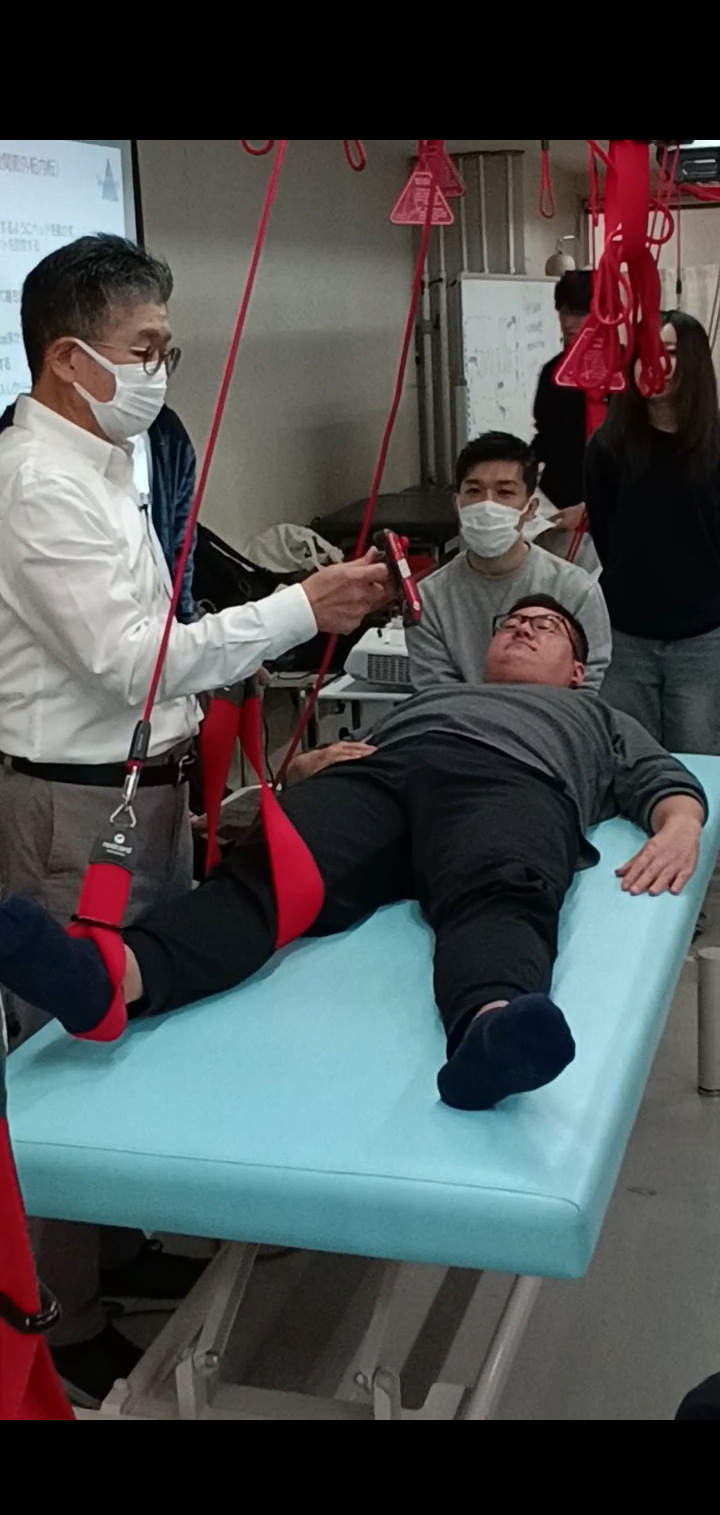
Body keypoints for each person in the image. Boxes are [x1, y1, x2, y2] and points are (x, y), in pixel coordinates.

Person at [0, 234, 389, 1404]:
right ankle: (62, 1317)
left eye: (167, 348)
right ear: (70, 358)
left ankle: (120, 1243)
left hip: (143, 794)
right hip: (72, 804)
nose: (161, 372)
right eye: (146, 349)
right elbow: (131, 663)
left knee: (143, 1011)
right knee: (69, 1041)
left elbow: (159, 643)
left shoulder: (103, 462)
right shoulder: (35, 483)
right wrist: (299, 609)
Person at [1, 594, 705, 1125]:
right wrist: (306, 767)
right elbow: (301, 772)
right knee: (271, 874)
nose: (521, 629)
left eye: (543, 627)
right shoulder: (433, 697)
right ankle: (109, 978)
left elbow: (663, 779)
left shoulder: (596, 716)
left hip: (511, 780)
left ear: (578, 672)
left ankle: (489, 1032)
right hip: (379, 776)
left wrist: (682, 827)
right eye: (512, 623)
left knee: (498, 887)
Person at [586, 310, 720, 752]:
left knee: (697, 758)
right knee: (628, 757)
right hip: (625, 635)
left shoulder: (714, 446)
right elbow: (605, 533)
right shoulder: (608, 446)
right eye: (645, 352)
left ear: (694, 362)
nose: (656, 364)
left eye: (672, 353)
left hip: (703, 639)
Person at [406, 431, 611, 693]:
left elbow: (588, 684)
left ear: (530, 508)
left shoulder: (576, 590)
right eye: (474, 491)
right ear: (457, 504)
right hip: (461, 718)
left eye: (505, 492)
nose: (487, 505)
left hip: (552, 716)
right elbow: (436, 693)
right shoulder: (427, 599)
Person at [0, 397, 199, 624]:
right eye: (141, 360)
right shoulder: (36, 479)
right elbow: (114, 640)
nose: (156, 378)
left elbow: (181, 546)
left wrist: (185, 620)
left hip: (152, 626)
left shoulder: (166, 435)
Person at [532, 269, 593, 541]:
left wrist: (590, 511)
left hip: (612, 510)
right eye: (563, 312)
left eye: (579, 313)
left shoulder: (625, 372)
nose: (568, 322)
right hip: (557, 506)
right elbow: (546, 436)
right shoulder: (552, 371)